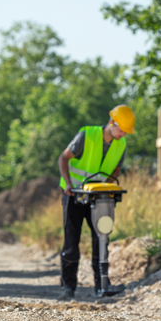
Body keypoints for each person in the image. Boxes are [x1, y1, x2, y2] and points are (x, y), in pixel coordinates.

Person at [57, 105, 135, 300]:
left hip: (99, 197)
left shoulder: (121, 144)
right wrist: (67, 184)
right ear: (111, 123)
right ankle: (68, 287)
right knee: (71, 241)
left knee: (101, 239)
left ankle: (102, 285)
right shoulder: (87, 135)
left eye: (126, 132)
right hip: (74, 194)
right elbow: (63, 158)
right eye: (121, 130)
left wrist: (108, 183)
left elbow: (116, 169)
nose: (123, 134)